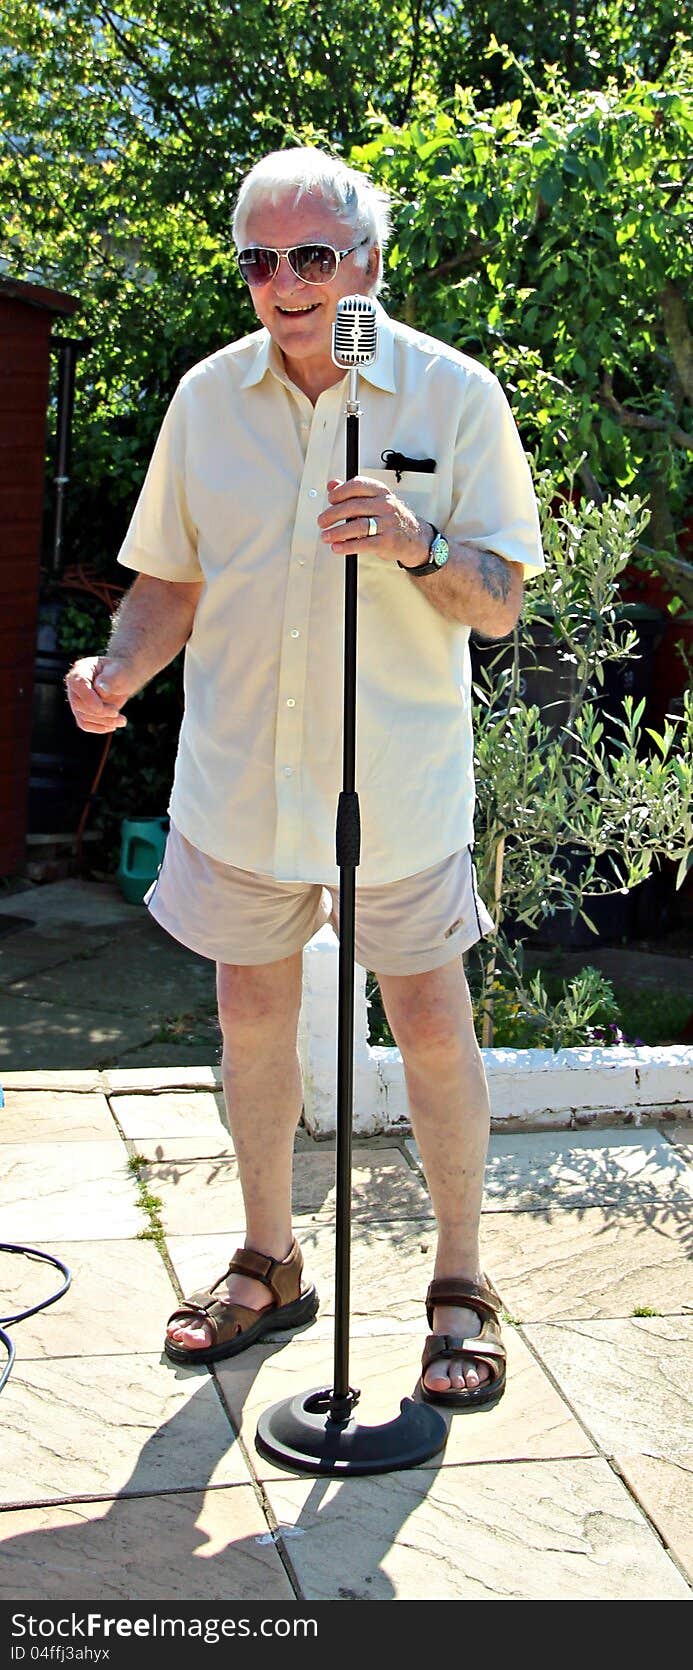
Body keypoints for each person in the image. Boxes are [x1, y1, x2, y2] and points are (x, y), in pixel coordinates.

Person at [66, 145, 544, 1410]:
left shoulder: (449, 394)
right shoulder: (205, 400)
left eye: (312, 257)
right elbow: (169, 581)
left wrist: (414, 538)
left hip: (396, 783)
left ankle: (460, 1283)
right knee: (251, 1022)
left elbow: (495, 604)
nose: (283, 282)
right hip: (239, 777)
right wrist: (118, 671)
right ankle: (269, 1260)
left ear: (368, 265)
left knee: (433, 1028)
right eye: (260, 259)